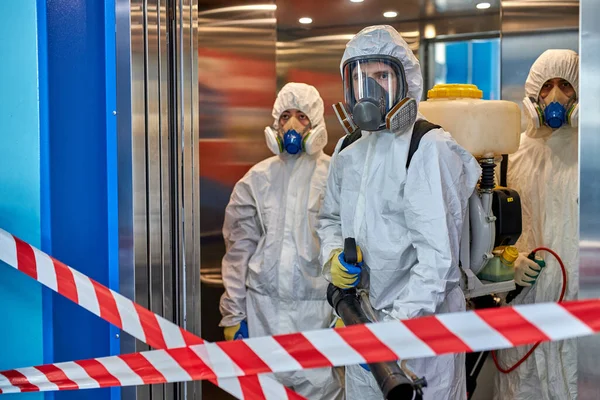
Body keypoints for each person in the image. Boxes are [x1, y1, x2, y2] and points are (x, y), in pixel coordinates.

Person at [318, 25, 481, 400]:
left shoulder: (427, 147)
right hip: (362, 327)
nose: (370, 90)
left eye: (381, 76)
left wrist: (390, 331)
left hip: (420, 340)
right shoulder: (348, 147)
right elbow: (328, 219)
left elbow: (437, 263)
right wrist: (332, 260)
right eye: (362, 78)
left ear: (404, 80)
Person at [219, 82, 343, 400]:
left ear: (315, 123)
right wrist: (234, 314)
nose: (291, 125)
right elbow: (239, 250)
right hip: (263, 317)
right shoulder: (257, 180)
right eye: (285, 115)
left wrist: (345, 314)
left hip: (317, 320)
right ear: (275, 123)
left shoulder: (335, 176)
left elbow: (349, 249)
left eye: (301, 117)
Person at [494, 49, 579, 400]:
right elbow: (490, 233)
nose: (555, 97)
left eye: (565, 87)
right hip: (523, 306)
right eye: (546, 88)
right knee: (523, 389)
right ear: (532, 94)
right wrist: (508, 262)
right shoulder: (510, 153)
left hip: (579, 304)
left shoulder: (590, 151)